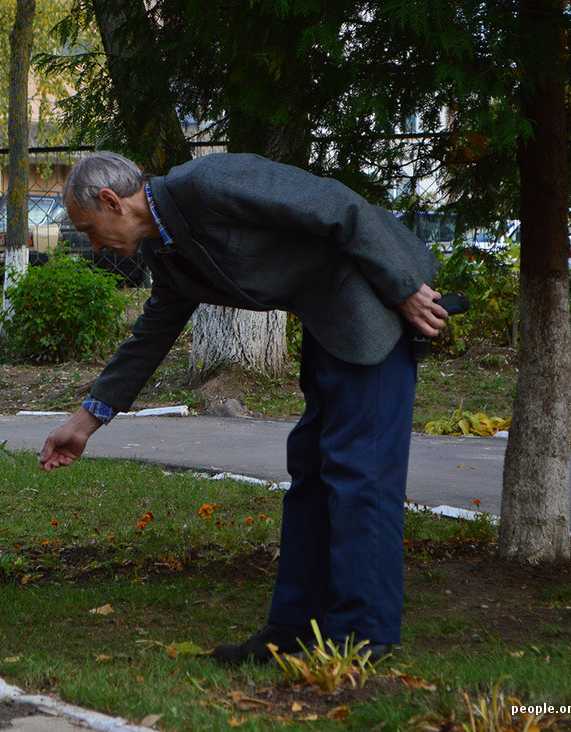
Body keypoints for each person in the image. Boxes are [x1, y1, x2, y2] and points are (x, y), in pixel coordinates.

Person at [38, 151, 447, 664]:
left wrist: (405, 288)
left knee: (359, 471)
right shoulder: (163, 251)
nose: (93, 244)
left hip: (376, 310)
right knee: (311, 468)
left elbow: (337, 205)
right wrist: (86, 420)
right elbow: (151, 335)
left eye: (89, 229)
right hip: (329, 326)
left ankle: (364, 635)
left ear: (110, 201)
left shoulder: (206, 183)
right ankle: (293, 627)